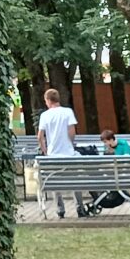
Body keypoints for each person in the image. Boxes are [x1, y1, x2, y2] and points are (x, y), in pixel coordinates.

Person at [36, 87, 83, 217]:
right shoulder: (67, 112)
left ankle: (60, 209)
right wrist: (70, 143)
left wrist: (45, 150)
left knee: (55, 181)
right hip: (68, 153)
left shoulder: (45, 115)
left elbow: (40, 136)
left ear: (48, 100)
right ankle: (79, 207)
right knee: (75, 180)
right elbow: (72, 131)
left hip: (53, 154)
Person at [86, 128, 130, 216]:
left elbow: (128, 160)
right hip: (112, 173)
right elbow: (105, 162)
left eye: (106, 142)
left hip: (124, 172)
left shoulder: (123, 144)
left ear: (111, 140)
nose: (105, 144)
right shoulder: (107, 147)